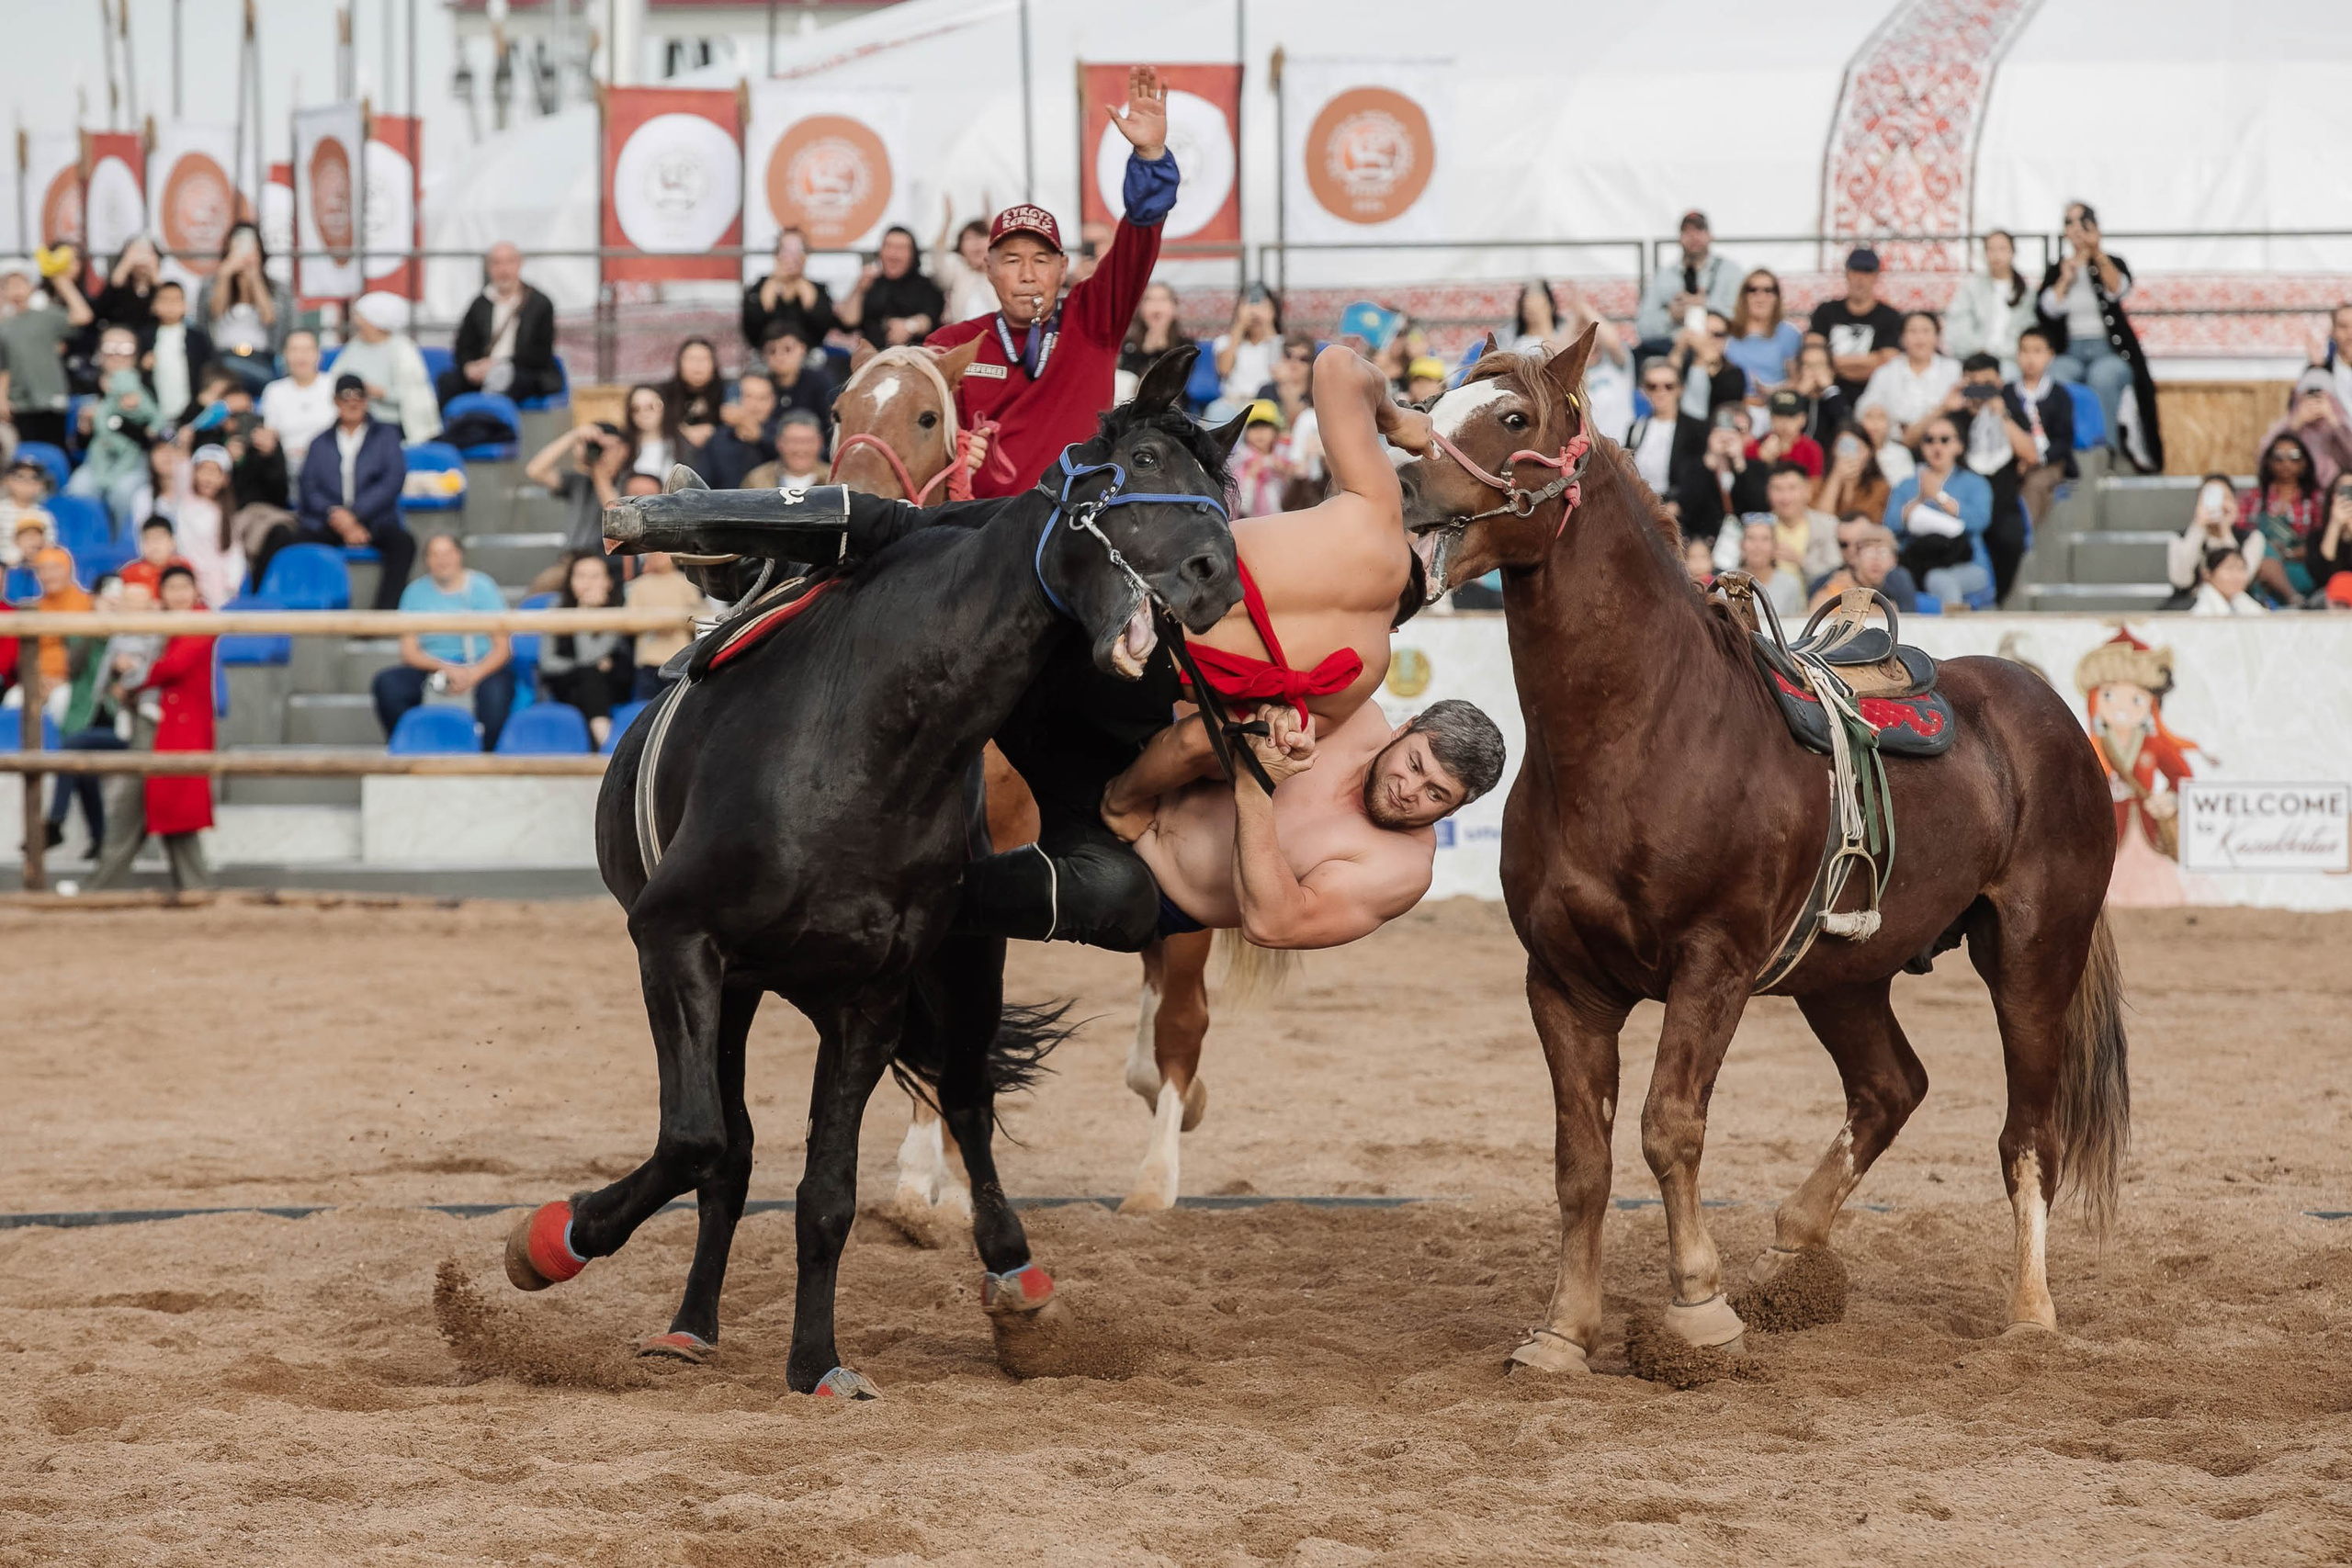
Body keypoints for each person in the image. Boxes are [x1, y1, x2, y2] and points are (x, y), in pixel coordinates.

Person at [967, 344, 1420, 954]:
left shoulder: (1372, 524)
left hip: (1123, 663)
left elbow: (1337, 364)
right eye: (1424, 773)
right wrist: (1138, 800)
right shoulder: (1357, 681)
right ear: (1404, 621)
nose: (1415, 789)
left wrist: (1397, 420)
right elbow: (1195, 746)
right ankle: (946, 901)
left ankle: (858, 521)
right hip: (1134, 723)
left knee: (1001, 538)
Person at [926, 64, 1178, 498]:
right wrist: (948, 460)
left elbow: (1139, 236)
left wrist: (1150, 159)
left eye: (1041, 259)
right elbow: (911, 442)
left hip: (1080, 534)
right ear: (987, 268)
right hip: (983, 538)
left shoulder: (1093, 320)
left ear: (1062, 269)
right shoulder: (949, 345)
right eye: (1011, 260)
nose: (1027, 274)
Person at [1117, 697, 1502, 946]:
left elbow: (1272, 925)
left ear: (1452, 811)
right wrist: (1272, 717)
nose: (1409, 790)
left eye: (1436, 794)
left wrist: (1255, 788)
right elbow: (1228, 706)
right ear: (1404, 729)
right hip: (1141, 765)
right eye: (1414, 764)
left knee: (1096, 892)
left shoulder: (1403, 869)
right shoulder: (1357, 714)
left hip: (1152, 890)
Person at [86, 564, 213, 891]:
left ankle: (101, 889)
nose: (179, 594)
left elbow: (172, 666)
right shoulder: (161, 624)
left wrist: (131, 680)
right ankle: (194, 890)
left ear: (195, 590)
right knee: (157, 811)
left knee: (158, 811)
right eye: (172, 588)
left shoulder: (200, 621)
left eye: (185, 587)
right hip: (158, 726)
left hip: (175, 730)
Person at [2036, 200, 2163, 469]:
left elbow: (2118, 289)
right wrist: (2065, 279)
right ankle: (2064, 453)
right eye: (2069, 222)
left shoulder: (2111, 262)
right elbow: (2048, 309)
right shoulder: (2057, 269)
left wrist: (2097, 252)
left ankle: (2105, 454)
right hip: (2070, 350)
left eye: (2082, 222)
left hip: (2108, 350)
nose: (2075, 229)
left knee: (2102, 378)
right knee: (2056, 378)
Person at [371, 534, 514, 749]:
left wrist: (473, 673)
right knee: (388, 684)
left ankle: (487, 757)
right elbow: (409, 651)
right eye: (434, 555)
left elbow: (503, 648)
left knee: (497, 696)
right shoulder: (414, 593)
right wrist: (445, 668)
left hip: (480, 665)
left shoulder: (484, 587)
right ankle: (412, 745)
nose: (442, 560)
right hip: (434, 667)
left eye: (447, 553)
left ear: (459, 556)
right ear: (426, 561)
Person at [295, 373, 416, 609]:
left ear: (367, 400)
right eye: (345, 397)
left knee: (403, 544)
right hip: (331, 521)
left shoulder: (386, 435)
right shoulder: (319, 442)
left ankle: (383, 617)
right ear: (335, 401)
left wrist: (356, 514)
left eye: (358, 396)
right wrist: (338, 516)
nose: (352, 403)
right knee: (298, 542)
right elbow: (309, 487)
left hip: (375, 519)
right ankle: (312, 615)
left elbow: (392, 480)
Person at [1957, 351, 2042, 603]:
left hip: (2001, 503)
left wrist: (2001, 415)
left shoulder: (2012, 413)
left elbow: (2031, 455)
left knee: (2009, 536)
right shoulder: (1954, 417)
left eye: (1988, 385)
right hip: (1960, 504)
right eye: (1975, 384)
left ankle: (1999, 600)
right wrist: (1947, 404)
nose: (1981, 391)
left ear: (1999, 384)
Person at [1885, 412, 1993, 605]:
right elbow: (1890, 523)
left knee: (1940, 580)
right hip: (1918, 563)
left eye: (1945, 440)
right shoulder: (1906, 485)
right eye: (1929, 440)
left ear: (1959, 446)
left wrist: (1940, 497)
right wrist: (1920, 499)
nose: (1937, 446)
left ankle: (1953, 632)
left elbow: (1979, 521)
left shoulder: (1975, 483)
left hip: (1967, 564)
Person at [441, 241, 560, 405]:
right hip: (483, 370)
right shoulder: (480, 304)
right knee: (448, 382)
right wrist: (470, 367)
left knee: (503, 378)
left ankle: (492, 424)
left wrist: (498, 364)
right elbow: (463, 346)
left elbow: (540, 353)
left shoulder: (540, 303)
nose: (503, 270)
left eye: (509, 262)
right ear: (489, 268)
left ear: (519, 264)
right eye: (497, 263)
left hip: (522, 371)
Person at [538, 552, 636, 746]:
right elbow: (548, 663)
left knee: (590, 677)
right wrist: (583, 611)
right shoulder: (556, 608)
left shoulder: (617, 609)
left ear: (608, 581)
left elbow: (590, 655)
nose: (587, 583)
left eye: (595, 576)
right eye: (580, 576)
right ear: (570, 581)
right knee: (589, 674)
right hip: (567, 683)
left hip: (612, 683)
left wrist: (587, 613)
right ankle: (605, 742)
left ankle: (600, 743)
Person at [67, 326, 159, 525]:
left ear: (136, 355)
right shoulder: (86, 386)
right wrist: (85, 427)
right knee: (78, 489)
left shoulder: (146, 387)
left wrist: (116, 420)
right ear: (99, 354)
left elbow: (152, 435)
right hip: (96, 460)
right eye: (110, 349)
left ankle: (121, 548)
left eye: (125, 349)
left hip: (133, 460)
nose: (117, 356)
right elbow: (77, 446)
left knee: (124, 492)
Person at [0, 256, 95, 447]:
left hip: (52, 398)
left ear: (31, 286)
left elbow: (83, 316)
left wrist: (61, 281)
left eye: (21, 283)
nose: (16, 289)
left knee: (56, 448)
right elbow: (4, 366)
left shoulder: (47, 316)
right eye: (10, 284)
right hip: (20, 402)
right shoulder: (4, 325)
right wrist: (2, 398)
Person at [337, 292, 443, 444]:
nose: (356, 322)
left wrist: (380, 393)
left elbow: (413, 396)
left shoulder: (402, 349)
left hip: (390, 425)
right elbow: (335, 379)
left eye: (361, 317)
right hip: (352, 420)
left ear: (376, 321)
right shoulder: (354, 346)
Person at [1625, 359, 1717, 531]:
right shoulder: (1636, 428)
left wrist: (1677, 506)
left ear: (1680, 389)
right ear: (1645, 390)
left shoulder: (1697, 428)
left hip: (1682, 519)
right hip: (1641, 513)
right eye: (1652, 386)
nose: (1661, 392)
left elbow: (1701, 474)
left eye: (1668, 386)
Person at [1634, 209, 1742, 355]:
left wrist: (1706, 308)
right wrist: (1671, 315)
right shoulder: (1664, 277)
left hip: (1719, 350)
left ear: (1710, 236)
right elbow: (1643, 329)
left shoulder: (1730, 272)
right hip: (1674, 350)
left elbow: (1743, 321)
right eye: (1687, 231)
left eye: (1699, 230)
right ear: (1679, 238)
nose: (1693, 236)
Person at [1809, 247, 1904, 403]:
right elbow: (1812, 356)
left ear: (1876, 276)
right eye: (1856, 271)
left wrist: (1832, 363)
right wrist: (1871, 361)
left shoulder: (1890, 316)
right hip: (1827, 393)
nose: (1860, 278)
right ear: (1846, 273)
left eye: (1867, 272)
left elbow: (1888, 363)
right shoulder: (1825, 311)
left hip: (1875, 396)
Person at [1857, 310, 1962, 451]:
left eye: (1926, 331)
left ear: (1937, 337)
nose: (1919, 337)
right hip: (1893, 446)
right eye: (1912, 331)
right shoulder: (1885, 372)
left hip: (1941, 447)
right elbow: (1865, 410)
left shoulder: (1954, 370)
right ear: (1902, 338)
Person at [526, 419, 629, 558]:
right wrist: (573, 436)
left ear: (624, 450)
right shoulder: (579, 481)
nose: (600, 452)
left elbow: (616, 511)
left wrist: (598, 470)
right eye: (595, 446)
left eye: (607, 447)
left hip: (607, 562)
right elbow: (535, 471)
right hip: (571, 558)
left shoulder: (630, 482)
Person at [2006, 325, 2076, 530]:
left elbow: (2064, 440)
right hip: (2015, 461)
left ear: (2050, 355)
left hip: (2050, 462)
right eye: (2025, 351)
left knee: (2035, 485)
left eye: (2037, 351)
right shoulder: (2007, 393)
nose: (2030, 358)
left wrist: (2038, 458)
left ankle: (2023, 534)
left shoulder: (2059, 394)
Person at [205, 222, 290, 392]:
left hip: (260, 359)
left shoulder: (276, 287)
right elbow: (214, 313)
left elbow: (270, 318)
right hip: (223, 359)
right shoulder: (212, 284)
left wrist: (254, 278)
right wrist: (224, 275)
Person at [2240, 432, 2323, 604]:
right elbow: (2241, 535)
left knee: (2270, 565)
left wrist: (2286, 553)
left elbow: (2319, 542)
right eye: (2279, 457)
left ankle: (2289, 596)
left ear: (2304, 463)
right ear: (2269, 462)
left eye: (2294, 457)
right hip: (2257, 565)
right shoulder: (2253, 498)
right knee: (2260, 545)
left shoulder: (2315, 500)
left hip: (2299, 565)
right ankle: (2293, 598)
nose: (2286, 463)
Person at [165, 442, 246, 608]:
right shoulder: (184, 502)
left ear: (225, 479)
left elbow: (234, 554)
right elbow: (180, 469)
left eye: (215, 472)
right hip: (186, 582)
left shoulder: (226, 514)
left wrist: (231, 584)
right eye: (203, 470)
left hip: (216, 588)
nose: (208, 478)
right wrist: (185, 440)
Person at [837, 225, 944, 350]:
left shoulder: (927, 286)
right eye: (888, 246)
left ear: (912, 254)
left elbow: (929, 319)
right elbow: (848, 322)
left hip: (912, 359)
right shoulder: (870, 283)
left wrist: (909, 326)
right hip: (873, 359)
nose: (893, 254)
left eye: (901, 248)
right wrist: (858, 289)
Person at [1555, 280, 1635, 443]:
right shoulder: (1571, 373)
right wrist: (1575, 316)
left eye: (1591, 335)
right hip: (1586, 453)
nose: (1588, 342)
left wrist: (1583, 307)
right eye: (1581, 336)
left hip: (1619, 451)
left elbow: (1612, 340)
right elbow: (1557, 351)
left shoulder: (1616, 364)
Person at [741, 228, 841, 358]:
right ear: (776, 254)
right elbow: (751, 328)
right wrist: (769, 291)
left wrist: (809, 297)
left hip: (808, 356)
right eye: (786, 249)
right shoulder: (758, 288)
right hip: (767, 356)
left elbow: (823, 326)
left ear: (806, 255)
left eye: (798, 250)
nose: (792, 257)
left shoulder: (818, 289)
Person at [1943, 230, 2033, 372]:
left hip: (2011, 362)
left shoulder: (2027, 294)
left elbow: (2027, 333)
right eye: (1990, 249)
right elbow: (1957, 328)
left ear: (2013, 252)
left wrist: (2000, 352)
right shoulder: (1970, 288)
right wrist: (1980, 349)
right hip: (1972, 358)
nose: (1996, 255)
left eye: (2002, 249)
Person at [624, 542, 705, 698]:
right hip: (648, 659)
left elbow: (699, 615)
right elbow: (628, 621)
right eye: (653, 552)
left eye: (663, 552)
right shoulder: (639, 585)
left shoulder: (686, 583)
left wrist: (675, 622)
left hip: (679, 657)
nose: (658, 556)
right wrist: (655, 623)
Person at [2258, 368, 2352, 493]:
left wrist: (2334, 422)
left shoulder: (2339, 423)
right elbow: (2263, 456)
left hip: (2332, 492)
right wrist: (2295, 423)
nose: (2314, 401)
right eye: (2309, 395)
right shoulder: (2289, 423)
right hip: (2297, 495)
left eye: (2321, 395)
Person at [1731, 389, 1826, 513]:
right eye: (1779, 416)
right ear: (1771, 418)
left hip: (1800, 511)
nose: (1784, 422)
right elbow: (1743, 490)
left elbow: (1814, 489)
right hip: (1762, 511)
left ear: (1802, 419)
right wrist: (1761, 461)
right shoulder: (1755, 446)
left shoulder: (1811, 448)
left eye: (1791, 416)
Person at [259, 329, 337, 468]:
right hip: (288, 465)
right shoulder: (274, 391)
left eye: (307, 350)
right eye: (294, 350)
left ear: (318, 355)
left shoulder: (333, 385)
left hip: (331, 463)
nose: (301, 356)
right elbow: (270, 433)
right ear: (284, 355)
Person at [26, 546, 92, 710]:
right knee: (14, 701)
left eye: (55, 568)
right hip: (36, 680)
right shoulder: (33, 609)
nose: (48, 575)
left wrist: (61, 679)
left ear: (69, 570)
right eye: (42, 570)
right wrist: (37, 679)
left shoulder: (87, 605)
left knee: (61, 700)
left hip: (73, 682)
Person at [139, 281, 212, 426]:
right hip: (155, 409)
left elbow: (208, 367)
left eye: (176, 299)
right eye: (164, 299)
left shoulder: (196, 337)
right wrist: (142, 366)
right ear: (153, 306)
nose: (170, 305)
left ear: (186, 305)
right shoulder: (145, 337)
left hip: (191, 409)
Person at [1758, 459, 1843, 585]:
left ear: (1807, 491)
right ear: (1768, 493)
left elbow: (1836, 572)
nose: (1785, 497)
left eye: (1792, 488)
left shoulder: (1827, 526)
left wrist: (1801, 561)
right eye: (1778, 489)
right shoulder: (1759, 527)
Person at [1809, 522, 1919, 614]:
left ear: (1894, 561)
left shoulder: (1890, 598)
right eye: (1868, 552)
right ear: (1854, 558)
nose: (1876, 559)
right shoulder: (1834, 594)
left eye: (1883, 553)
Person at [1725, 269, 1802, 390]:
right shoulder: (1727, 330)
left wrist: (1772, 391)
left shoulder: (1788, 333)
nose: (1760, 297)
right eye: (1752, 290)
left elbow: (1796, 381)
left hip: (1774, 404)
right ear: (1743, 296)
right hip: (1731, 403)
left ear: (1777, 297)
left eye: (1768, 290)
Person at [1213, 284, 1283, 414]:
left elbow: (1280, 370)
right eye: (1249, 305)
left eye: (1262, 306)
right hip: (1233, 403)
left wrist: (1266, 322)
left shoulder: (1280, 343)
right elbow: (1224, 369)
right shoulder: (1225, 342)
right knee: (1217, 410)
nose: (1254, 312)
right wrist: (1240, 323)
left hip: (1267, 403)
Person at [701, 370, 775, 491]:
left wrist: (760, 438)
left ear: (772, 401)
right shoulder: (719, 439)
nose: (755, 405)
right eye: (749, 396)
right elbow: (703, 482)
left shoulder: (783, 435)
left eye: (762, 398)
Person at [931, 205, 1000, 326]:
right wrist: (947, 222)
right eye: (969, 238)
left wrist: (994, 228)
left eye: (982, 236)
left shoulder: (1001, 271)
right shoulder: (957, 270)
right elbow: (937, 264)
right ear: (960, 248)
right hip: (963, 340)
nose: (976, 243)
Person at [1815, 418, 1891, 525]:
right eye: (1843, 447)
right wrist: (1836, 477)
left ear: (1869, 453)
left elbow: (1872, 525)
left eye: (1857, 448)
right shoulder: (1817, 485)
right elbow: (1821, 524)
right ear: (1833, 450)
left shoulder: (1882, 488)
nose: (1850, 455)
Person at [759, 326, 836, 433]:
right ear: (764, 354)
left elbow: (831, 426)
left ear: (802, 349)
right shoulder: (760, 385)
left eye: (787, 349)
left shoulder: (819, 381)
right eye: (772, 351)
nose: (780, 357)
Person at [1673, 311, 1747, 420]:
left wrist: (1706, 357)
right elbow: (1667, 380)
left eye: (1718, 334)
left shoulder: (1733, 373)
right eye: (1705, 332)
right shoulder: (1685, 363)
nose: (1710, 339)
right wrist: (1679, 350)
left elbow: (1725, 403)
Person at [663, 338, 726, 464]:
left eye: (704, 359)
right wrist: (684, 431)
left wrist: (714, 431)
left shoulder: (726, 392)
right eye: (691, 359)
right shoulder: (665, 393)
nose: (698, 365)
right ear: (679, 363)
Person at [89, 237, 164, 343]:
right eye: (137, 253)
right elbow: (101, 308)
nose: (141, 259)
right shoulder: (119, 288)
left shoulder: (158, 288)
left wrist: (153, 269)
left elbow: (164, 305)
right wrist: (127, 262)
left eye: (147, 253)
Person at [1118, 280, 1186, 396]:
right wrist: (1146, 351)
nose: (1156, 306)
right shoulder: (1128, 346)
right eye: (1150, 300)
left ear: (1174, 308)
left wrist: (1162, 349)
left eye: (1163, 300)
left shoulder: (1186, 345)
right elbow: (1125, 380)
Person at [1231, 400, 1291, 519]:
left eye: (1265, 427)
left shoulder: (1284, 457)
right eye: (1254, 427)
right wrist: (1251, 477)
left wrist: (1286, 474)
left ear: (1276, 431)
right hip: (1253, 524)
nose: (1259, 432)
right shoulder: (1240, 461)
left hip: (1282, 523)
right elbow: (1243, 508)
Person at [742, 411, 829, 492]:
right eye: (793, 441)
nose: (800, 449)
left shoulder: (833, 480)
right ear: (779, 443)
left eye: (807, 441)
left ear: (820, 442)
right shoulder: (757, 480)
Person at [1736, 516, 1805, 617]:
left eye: (1765, 539)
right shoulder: (1727, 583)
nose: (1757, 545)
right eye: (1751, 538)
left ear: (1775, 546)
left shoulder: (1790, 584)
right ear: (1741, 545)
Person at [1786, 338, 1851, 445]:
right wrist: (1800, 394)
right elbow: (1783, 422)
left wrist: (1829, 388)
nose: (1814, 371)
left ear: (1831, 371)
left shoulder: (1837, 397)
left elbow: (1845, 421)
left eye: (1819, 365)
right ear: (1799, 370)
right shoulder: (1791, 396)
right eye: (1807, 365)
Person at [2304, 474, 2352, 601]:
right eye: (2345, 490)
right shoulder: (2315, 537)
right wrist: (2335, 525)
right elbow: (2322, 576)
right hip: (2329, 599)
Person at [2189, 546, 2266, 617]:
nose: (2237, 576)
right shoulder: (2198, 606)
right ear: (2208, 574)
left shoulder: (2243, 601)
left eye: (2241, 568)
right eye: (2229, 569)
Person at [618, 382, 673, 481]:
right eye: (636, 408)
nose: (644, 413)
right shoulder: (621, 447)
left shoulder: (682, 446)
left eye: (652, 406)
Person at [0, 454, 57, 546]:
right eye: (20, 476)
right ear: (6, 481)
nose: (26, 482)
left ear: (41, 485)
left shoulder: (44, 516)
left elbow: (49, 547)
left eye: (34, 478)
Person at [2316, 300, 2352, 416]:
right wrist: (2315, 369)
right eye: (2343, 326)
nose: (2350, 333)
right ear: (2333, 332)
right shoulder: (2321, 372)